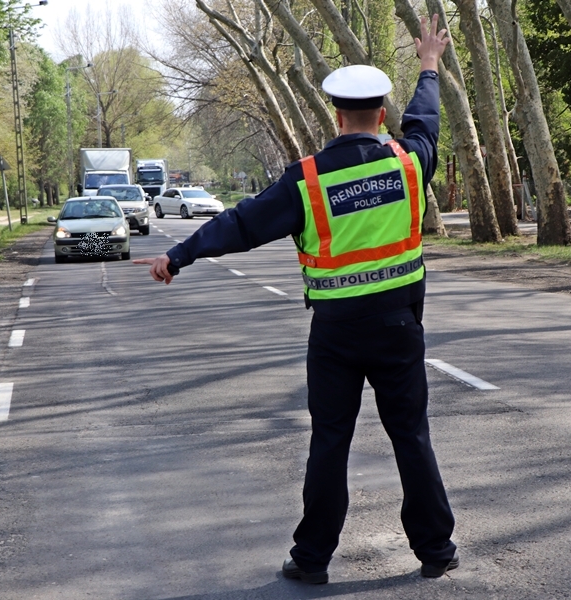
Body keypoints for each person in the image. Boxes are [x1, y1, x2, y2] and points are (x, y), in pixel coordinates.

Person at [134, 15, 456, 585]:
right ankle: (435, 551)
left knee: (330, 443)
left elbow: (238, 224)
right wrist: (428, 64)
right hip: (400, 329)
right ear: (382, 115)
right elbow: (427, 118)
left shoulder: (305, 181)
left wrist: (177, 256)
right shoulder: (410, 162)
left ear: (335, 114)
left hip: (335, 336)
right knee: (412, 437)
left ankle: (312, 561)